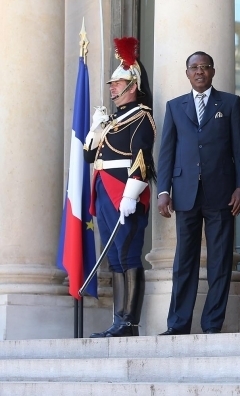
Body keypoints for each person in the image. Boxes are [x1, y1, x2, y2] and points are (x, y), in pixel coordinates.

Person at [156, 51, 240, 335]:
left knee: (220, 261)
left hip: (221, 193)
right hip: (185, 193)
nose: (199, 72)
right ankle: (178, 324)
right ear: (187, 73)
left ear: (213, 71)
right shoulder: (174, 107)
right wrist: (163, 190)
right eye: (194, 68)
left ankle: (211, 324)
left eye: (204, 67)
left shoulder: (231, 103)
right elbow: (167, 151)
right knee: (184, 262)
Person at [85, 37, 156, 337]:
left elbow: (142, 160)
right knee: (114, 258)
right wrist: (95, 127)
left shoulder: (142, 117)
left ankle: (130, 322)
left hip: (123, 192)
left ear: (133, 85)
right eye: (112, 84)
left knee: (127, 255)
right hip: (103, 190)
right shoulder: (113, 121)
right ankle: (118, 319)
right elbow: (90, 155)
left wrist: (130, 195)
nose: (112, 88)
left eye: (118, 83)